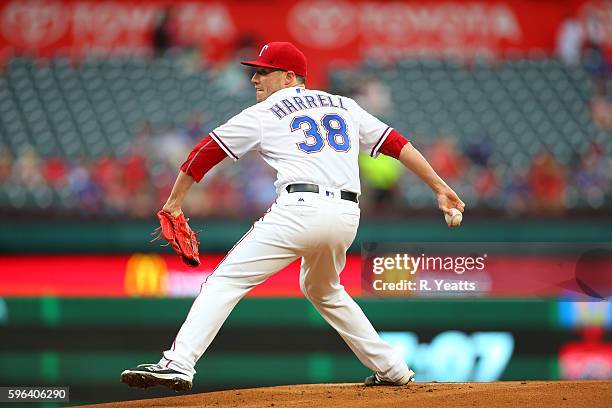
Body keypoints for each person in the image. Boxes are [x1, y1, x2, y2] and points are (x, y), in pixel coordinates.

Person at [120, 42, 465, 391]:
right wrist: (439, 186)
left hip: (300, 209)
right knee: (323, 288)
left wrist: (174, 203)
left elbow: (204, 153)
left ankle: (178, 363)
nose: (255, 78)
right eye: (255, 71)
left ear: (288, 77)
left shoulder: (266, 112)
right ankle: (392, 367)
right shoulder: (344, 105)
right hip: (346, 215)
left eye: (263, 71)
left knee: (225, 281)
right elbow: (396, 143)